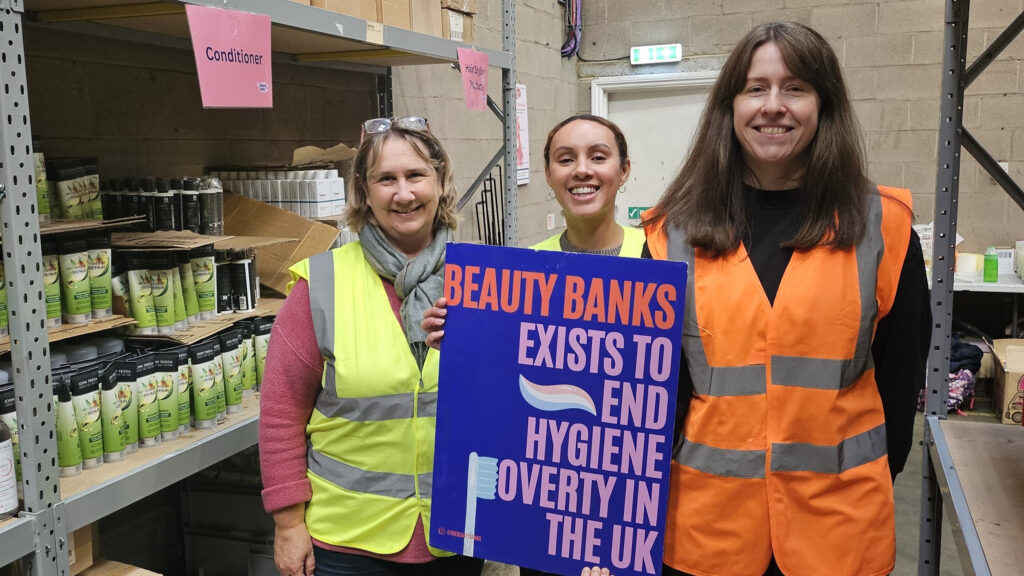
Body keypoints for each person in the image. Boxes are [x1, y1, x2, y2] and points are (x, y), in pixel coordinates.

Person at [643, 21, 930, 576]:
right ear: (729, 107)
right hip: (708, 531)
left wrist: (867, 484)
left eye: (795, 87)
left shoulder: (884, 229)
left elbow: (899, 386)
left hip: (839, 531)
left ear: (825, 105)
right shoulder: (670, 234)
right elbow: (654, 391)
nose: (773, 105)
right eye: (755, 88)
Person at [259, 116, 485, 576]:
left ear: (440, 182)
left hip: (457, 530)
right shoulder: (322, 283)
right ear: (364, 191)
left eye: (416, 175)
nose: (403, 194)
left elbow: (507, 405)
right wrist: (288, 524)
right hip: (348, 542)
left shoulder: (484, 282)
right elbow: (281, 413)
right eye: (386, 179)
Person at [530, 114, 645, 257]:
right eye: (566, 160)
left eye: (598, 157)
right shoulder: (528, 264)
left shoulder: (660, 254)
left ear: (624, 170)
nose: (581, 170)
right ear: (548, 175)